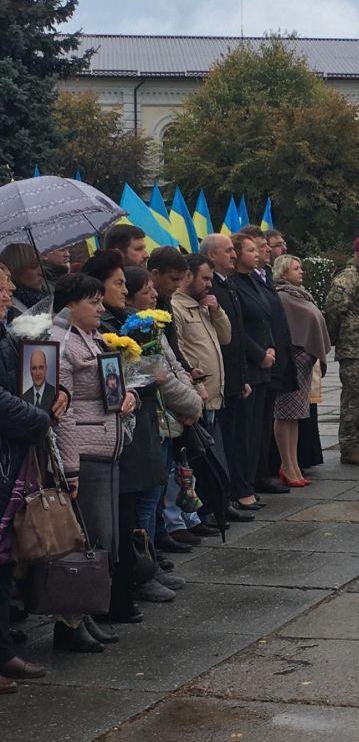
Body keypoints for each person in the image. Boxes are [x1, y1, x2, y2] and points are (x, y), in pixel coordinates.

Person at [51, 271, 138, 650]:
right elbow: (62, 411)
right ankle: (70, 622)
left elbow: (114, 380)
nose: (101, 309)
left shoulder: (93, 336)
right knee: (87, 538)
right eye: (93, 303)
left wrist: (128, 394)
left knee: (104, 538)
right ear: (70, 306)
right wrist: (69, 465)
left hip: (108, 444)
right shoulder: (60, 342)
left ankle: (87, 612)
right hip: (85, 450)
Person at [81, 249, 170, 614]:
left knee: (134, 509)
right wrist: (149, 372)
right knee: (115, 519)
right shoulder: (99, 329)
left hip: (134, 427)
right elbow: (108, 380)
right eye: (116, 283)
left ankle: (141, 571)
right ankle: (121, 589)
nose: (121, 290)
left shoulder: (124, 321)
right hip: (106, 435)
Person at [123, 266, 204, 584]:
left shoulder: (152, 323)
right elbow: (156, 375)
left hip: (173, 412)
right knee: (149, 496)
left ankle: (153, 556)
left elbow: (173, 364)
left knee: (159, 489)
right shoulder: (133, 329)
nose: (154, 294)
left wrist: (192, 397)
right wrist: (190, 402)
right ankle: (146, 564)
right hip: (154, 418)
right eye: (146, 291)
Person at [0, 265, 51, 690]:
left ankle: (4, 652)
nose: (10, 293)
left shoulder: (6, 333)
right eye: (2, 288)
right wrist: (39, 415)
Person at [171, 254, 233, 522]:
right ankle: (203, 510)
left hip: (214, 395)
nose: (210, 284)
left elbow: (226, 337)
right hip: (197, 395)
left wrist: (217, 311)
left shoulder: (203, 306)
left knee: (214, 455)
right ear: (188, 277)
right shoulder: (177, 307)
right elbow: (180, 351)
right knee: (198, 460)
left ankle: (217, 504)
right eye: (205, 278)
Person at [199, 234, 255, 523]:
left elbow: (234, 336)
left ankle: (235, 492)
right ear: (211, 255)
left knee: (236, 439)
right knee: (224, 442)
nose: (233, 255)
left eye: (235, 250)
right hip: (217, 380)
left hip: (233, 376)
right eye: (228, 250)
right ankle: (228, 495)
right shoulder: (210, 292)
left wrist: (243, 375)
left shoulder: (227, 284)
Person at [241, 226, 295, 493]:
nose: (263, 252)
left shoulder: (260, 278)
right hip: (254, 363)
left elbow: (270, 317)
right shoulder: (244, 281)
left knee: (261, 424)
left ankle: (261, 473)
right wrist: (261, 352)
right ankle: (254, 477)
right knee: (252, 429)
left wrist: (273, 347)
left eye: (261, 247)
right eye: (255, 248)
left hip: (271, 358)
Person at [272, 254, 331, 484]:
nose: (301, 272)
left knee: (296, 416)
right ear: (284, 273)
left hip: (304, 363)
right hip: (292, 361)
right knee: (285, 414)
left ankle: (294, 463)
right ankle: (286, 464)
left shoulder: (300, 294)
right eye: (296, 268)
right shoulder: (283, 297)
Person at [324, 235, 359, 466]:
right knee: (353, 399)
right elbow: (333, 309)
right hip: (354, 349)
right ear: (358, 256)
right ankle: (348, 446)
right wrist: (335, 340)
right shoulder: (348, 278)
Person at [231, 234, 276, 506]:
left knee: (258, 430)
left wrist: (270, 346)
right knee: (245, 433)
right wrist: (260, 354)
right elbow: (238, 326)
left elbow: (265, 315)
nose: (256, 254)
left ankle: (251, 481)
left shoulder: (254, 280)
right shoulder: (235, 284)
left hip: (264, 362)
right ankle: (242, 487)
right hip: (249, 365)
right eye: (249, 250)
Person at [0, 244, 45, 321]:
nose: (42, 272)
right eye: (34, 266)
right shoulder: (10, 308)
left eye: (41, 264)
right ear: (15, 270)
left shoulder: (41, 296)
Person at [22, 349, 57, 413]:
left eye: (41, 367)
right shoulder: (24, 397)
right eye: (34, 368)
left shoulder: (55, 393)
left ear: (46, 369)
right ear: (30, 371)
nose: (37, 373)